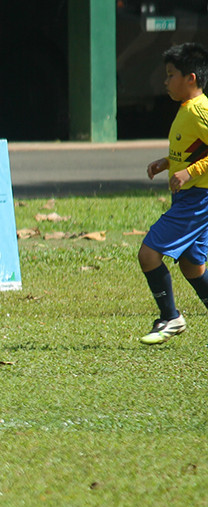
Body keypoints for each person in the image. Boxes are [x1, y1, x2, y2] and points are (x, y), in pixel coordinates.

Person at [139, 42, 208, 345]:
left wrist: (188, 173)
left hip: (197, 199)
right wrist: (167, 162)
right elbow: (194, 150)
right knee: (192, 265)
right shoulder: (186, 110)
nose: (165, 82)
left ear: (190, 78)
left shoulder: (199, 110)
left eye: (170, 75)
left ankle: (170, 317)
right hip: (192, 197)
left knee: (148, 253)